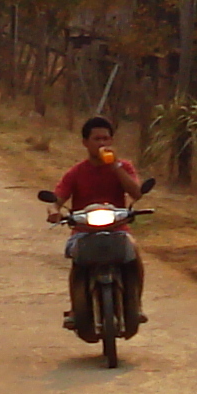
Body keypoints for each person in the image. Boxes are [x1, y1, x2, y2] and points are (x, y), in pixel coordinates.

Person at [51, 114, 149, 332]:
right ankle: (76, 309)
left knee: (135, 257)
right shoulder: (76, 172)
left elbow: (136, 193)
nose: (102, 143)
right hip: (83, 230)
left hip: (117, 228)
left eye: (106, 139)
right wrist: (54, 211)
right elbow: (58, 198)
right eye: (97, 139)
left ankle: (137, 305)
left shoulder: (124, 167)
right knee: (77, 263)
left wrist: (115, 167)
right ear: (85, 143)